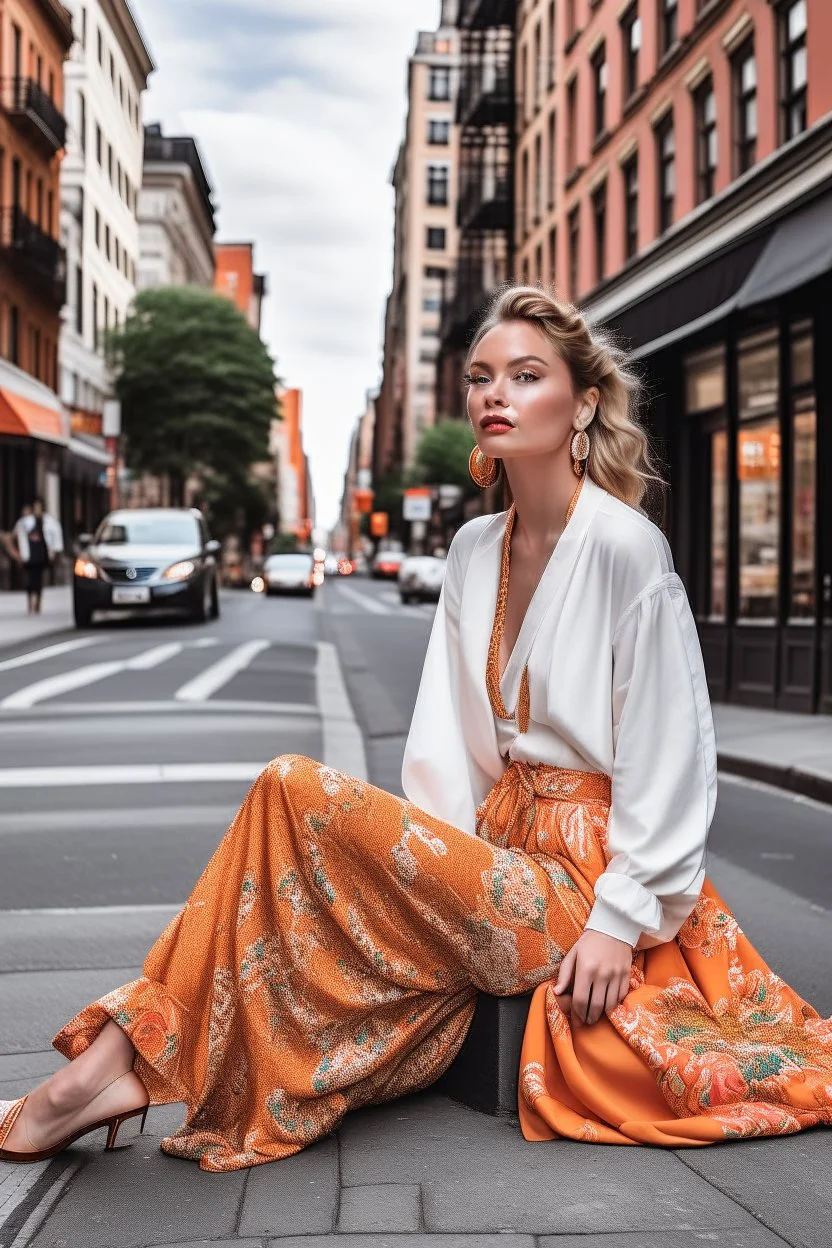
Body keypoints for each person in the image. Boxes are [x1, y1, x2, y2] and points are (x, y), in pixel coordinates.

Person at [2, 287, 830, 1170]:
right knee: (283, 866)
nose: (493, 396)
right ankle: (115, 1066)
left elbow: (674, 761)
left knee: (290, 785)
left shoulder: (629, 549)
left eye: (524, 375)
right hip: (498, 853)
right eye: (480, 378)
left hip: (587, 876)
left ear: (584, 402)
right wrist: (417, 882)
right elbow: (446, 748)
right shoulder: (475, 552)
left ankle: (105, 1072)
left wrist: (619, 923)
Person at [14, 498, 65, 614]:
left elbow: (55, 536)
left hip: (41, 554)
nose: (37, 510)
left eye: (39, 507)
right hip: (29, 554)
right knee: (29, 580)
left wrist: (54, 551)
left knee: (38, 579)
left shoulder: (49, 521)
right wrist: (18, 554)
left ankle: (37, 603)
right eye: (35, 507)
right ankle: (30, 603)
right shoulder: (26, 521)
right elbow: (17, 534)